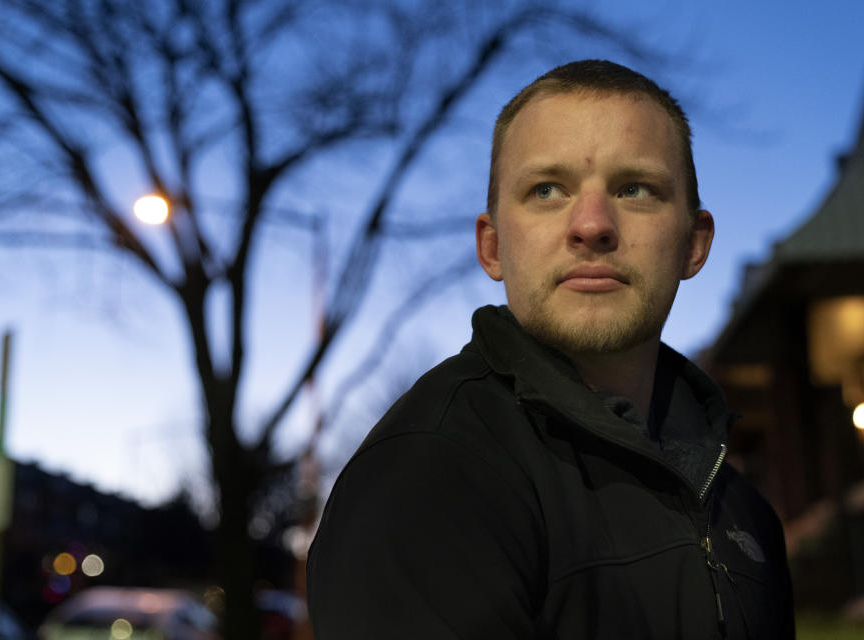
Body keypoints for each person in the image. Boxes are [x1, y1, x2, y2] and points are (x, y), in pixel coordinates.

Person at [306, 60, 795, 639]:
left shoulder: (742, 509)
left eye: (635, 188)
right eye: (547, 190)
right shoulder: (430, 474)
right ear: (491, 247)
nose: (591, 225)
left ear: (694, 242)